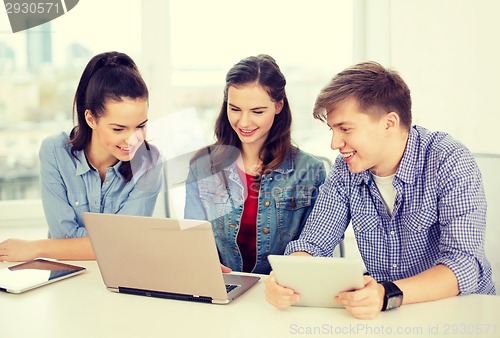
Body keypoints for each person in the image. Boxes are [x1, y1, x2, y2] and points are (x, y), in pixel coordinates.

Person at [264, 61, 496, 319]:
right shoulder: (345, 170)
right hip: (385, 316)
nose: (334, 143)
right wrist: (288, 277)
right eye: (332, 129)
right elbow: (314, 242)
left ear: (389, 123)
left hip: (461, 313)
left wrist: (387, 294)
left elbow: (463, 264)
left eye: (345, 128)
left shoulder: (448, 160)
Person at [0, 51, 162, 262]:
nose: (132, 140)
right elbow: (63, 234)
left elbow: (125, 244)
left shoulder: (150, 161)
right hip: (65, 283)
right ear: (91, 119)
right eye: (118, 129)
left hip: (123, 284)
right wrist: (111, 243)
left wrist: (38, 248)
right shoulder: (54, 152)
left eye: (141, 126)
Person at [184, 54, 326, 274]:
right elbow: (192, 241)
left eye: (257, 112)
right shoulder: (202, 167)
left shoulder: (310, 171)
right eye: (235, 109)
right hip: (221, 288)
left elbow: (315, 247)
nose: (244, 122)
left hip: (283, 291)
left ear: (278, 106)